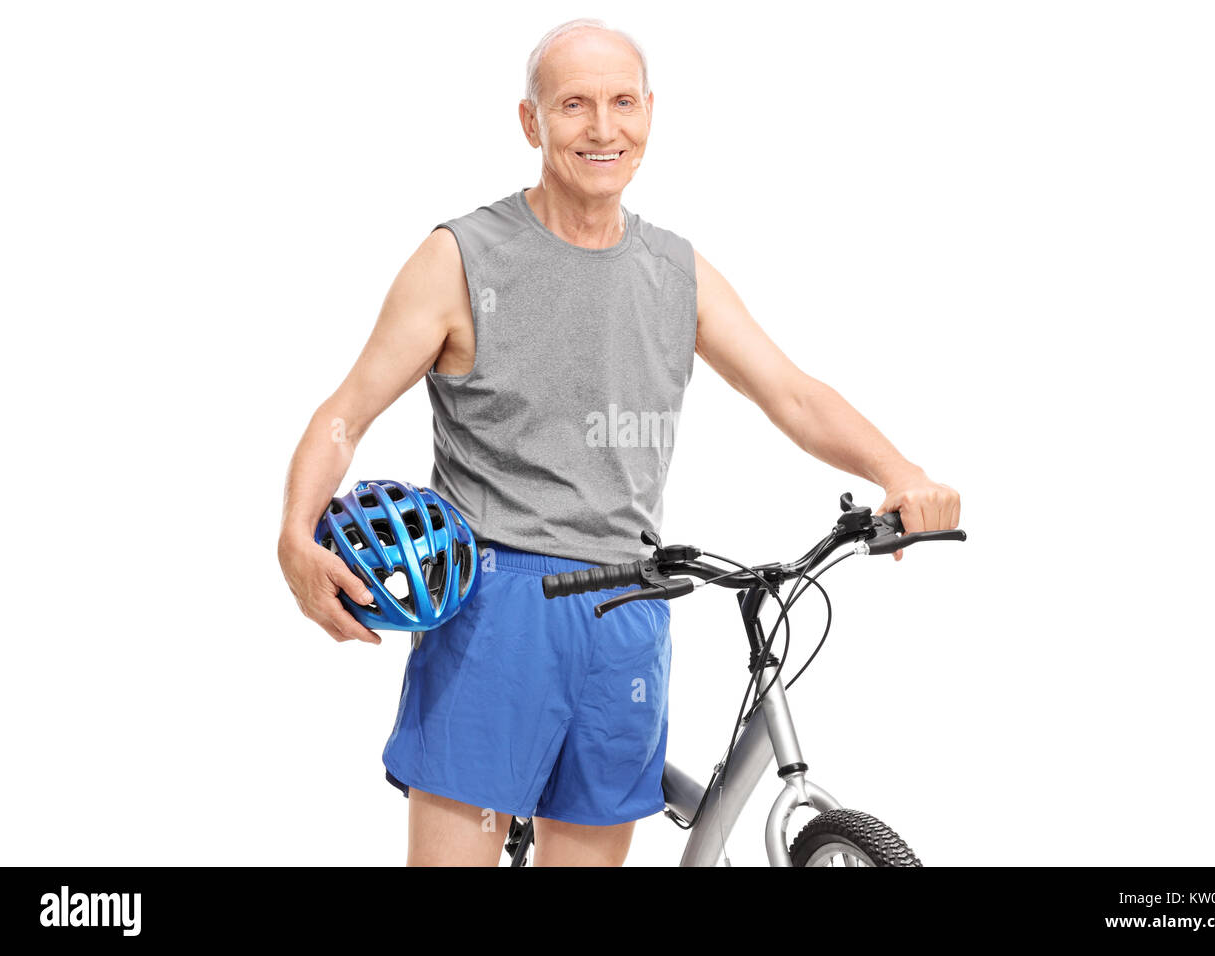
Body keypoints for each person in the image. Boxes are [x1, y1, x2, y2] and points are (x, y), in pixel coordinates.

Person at [278, 18, 960, 867]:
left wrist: (899, 472)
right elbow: (344, 411)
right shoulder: (461, 259)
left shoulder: (675, 271)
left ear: (649, 115)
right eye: (574, 105)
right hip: (498, 611)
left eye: (622, 103)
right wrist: (294, 536)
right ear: (532, 122)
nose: (603, 129)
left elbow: (792, 392)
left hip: (630, 612)